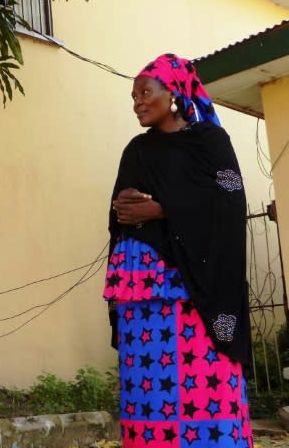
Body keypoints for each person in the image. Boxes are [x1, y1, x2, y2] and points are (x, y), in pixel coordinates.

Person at [105, 53, 252, 447]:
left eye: (144, 92)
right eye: (133, 95)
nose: (137, 102)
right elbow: (119, 213)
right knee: (147, 390)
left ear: (172, 93)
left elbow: (231, 198)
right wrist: (126, 207)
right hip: (140, 291)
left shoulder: (210, 142)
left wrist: (164, 207)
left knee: (205, 387)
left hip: (195, 294)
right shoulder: (136, 149)